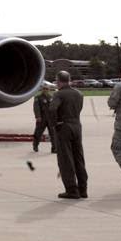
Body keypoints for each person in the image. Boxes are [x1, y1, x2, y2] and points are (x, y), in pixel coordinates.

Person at [49, 71, 87, 199]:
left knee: (66, 159)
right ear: (69, 80)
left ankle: (71, 190)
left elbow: (53, 109)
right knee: (78, 158)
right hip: (77, 125)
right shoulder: (79, 94)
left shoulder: (58, 94)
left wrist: (55, 124)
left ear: (58, 80)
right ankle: (83, 189)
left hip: (64, 126)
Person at [32, 83, 55, 153]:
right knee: (38, 133)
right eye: (44, 89)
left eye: (47, 89)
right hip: (42, 118)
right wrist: (38, 116)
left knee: (53, 134)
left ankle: (54, 148)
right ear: (42, 89)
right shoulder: (38, 97)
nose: (45, 90)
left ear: (49, 90)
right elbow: (36, 108)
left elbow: (54, 108)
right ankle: (35, 145)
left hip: (50, 119)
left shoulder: (52, 97)